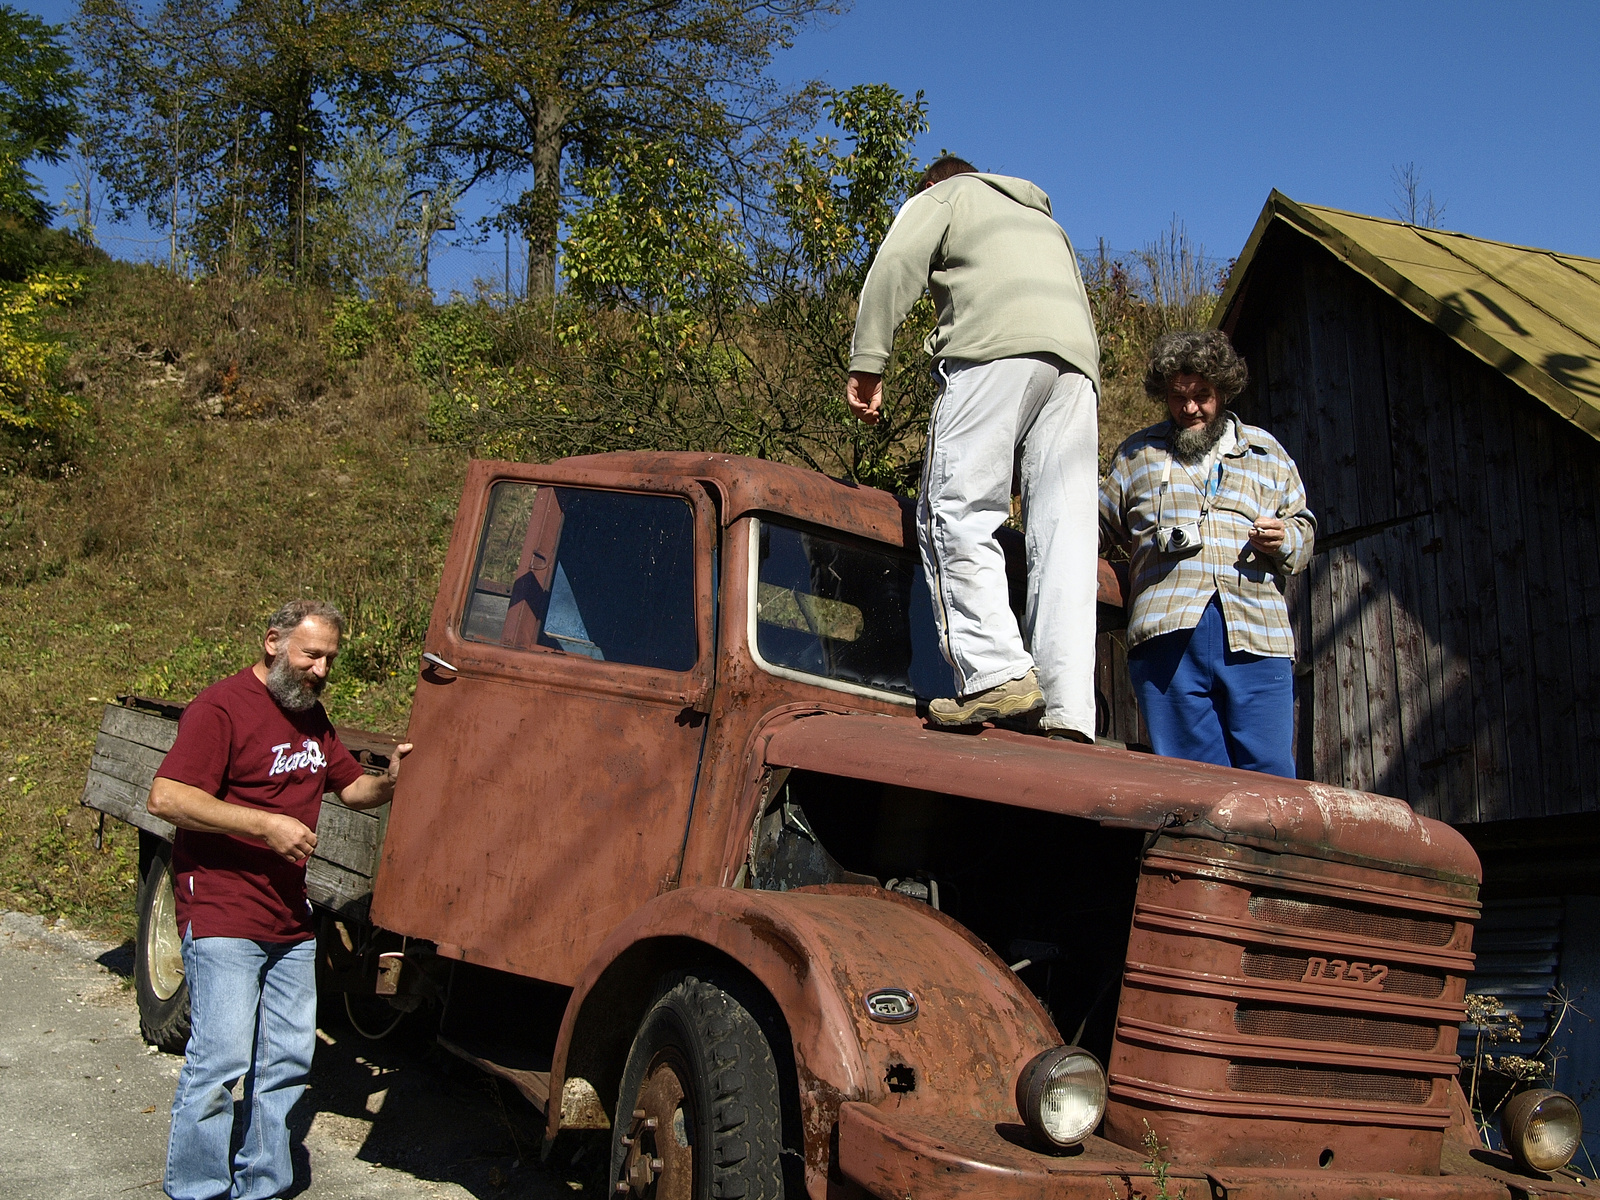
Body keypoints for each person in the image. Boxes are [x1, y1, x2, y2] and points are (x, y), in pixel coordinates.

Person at [147, 599, 412, 1200]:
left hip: (289, 917)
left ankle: (262, 1184)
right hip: (221, 907)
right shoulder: (222, 707)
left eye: (329, 659)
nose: (321, 669)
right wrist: (263, 826)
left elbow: (353, 789)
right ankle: (197, 1188)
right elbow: (166, 798)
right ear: (273, 642)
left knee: (288, 1062)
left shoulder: (312, 716)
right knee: (219, 1062)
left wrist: (391, 779)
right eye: (310, 654)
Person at [846, 155, 1101, 739]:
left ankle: (993, 673)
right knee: (1064, 541)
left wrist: (868, 362)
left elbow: (896, 261)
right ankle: (1068, 709)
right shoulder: (1045, 224)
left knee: (954, 509)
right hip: (1076, 374)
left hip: (992, 351)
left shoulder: (948, 195)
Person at [1099, 329, 1315, 776]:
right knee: (1193, 780)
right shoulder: (1137, 455)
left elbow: (1304, 530)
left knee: (1271, 774)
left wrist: (1284, 538)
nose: (1190, 408)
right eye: (1178, 397)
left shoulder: (1266, 452)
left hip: (1257, 634)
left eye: (1202, 395)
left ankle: (1264, 850)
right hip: (1168, 635)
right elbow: (1091, 528)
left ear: (1223, 390)